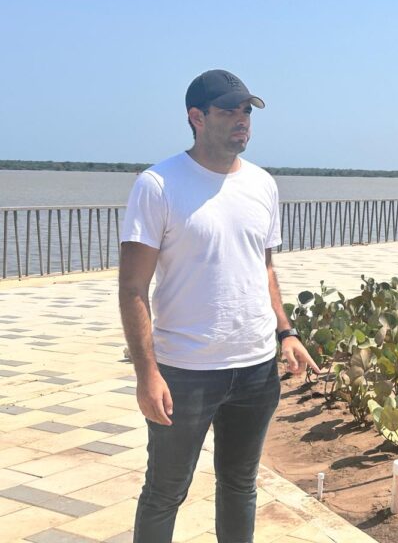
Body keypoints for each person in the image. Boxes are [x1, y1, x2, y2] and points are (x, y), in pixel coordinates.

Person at [119, 69, 319, 543]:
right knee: (165, 491)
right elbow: (132, 289)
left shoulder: (263, 185)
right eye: (229, 111)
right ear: (196, 117)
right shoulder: (158, 185)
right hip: (184, 371)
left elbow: (263, 268)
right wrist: (147, 374)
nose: (242, 120)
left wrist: (286, 333)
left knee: (240, 485)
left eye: (246, 111)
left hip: (254, 368)